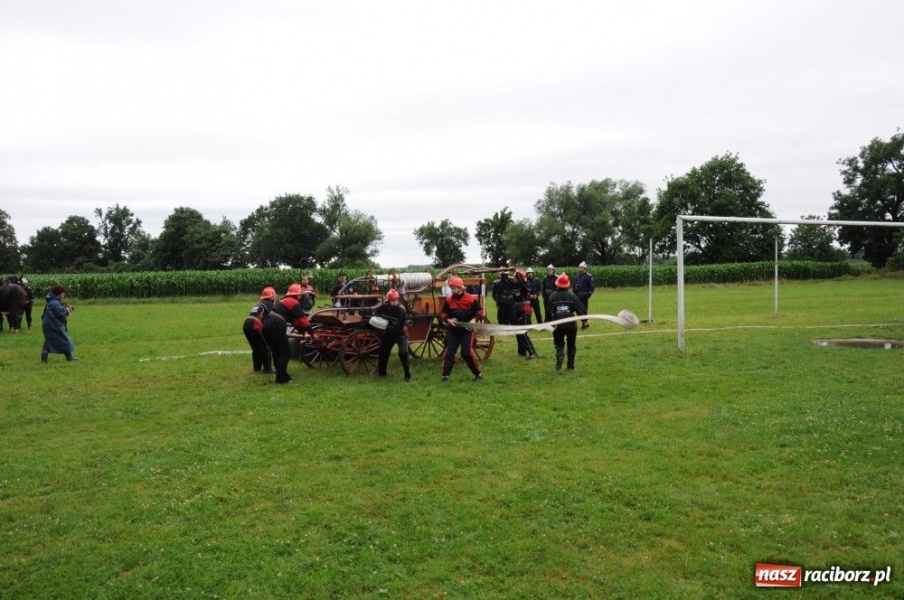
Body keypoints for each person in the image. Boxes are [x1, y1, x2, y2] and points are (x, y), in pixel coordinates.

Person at [262, 284, 312, 384]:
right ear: (298, 295)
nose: (300, 297)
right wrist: (312, 332)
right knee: (285, 353)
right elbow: (303, 320)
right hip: (276, 325)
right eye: (300, 295)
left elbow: (295, 321)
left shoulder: (283, 301)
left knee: (277, 353)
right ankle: (282, 378)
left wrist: (303, 332)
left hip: (267, 325)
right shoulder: (293, 302)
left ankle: (281, 376)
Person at [440, 276, 485, 382]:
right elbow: (443, 314)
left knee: (466, 353)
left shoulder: (470, 299)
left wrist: (474, 320)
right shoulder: (449, 300)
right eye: (451, 288)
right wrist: (448, 320)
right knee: (449, 353)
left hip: (467, 331)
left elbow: (480, 312)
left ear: (460, 288)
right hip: (454, 331)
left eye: (454, 288)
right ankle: (445, 376)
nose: (452, 290)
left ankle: (478, 374)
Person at [546, 273, 587, 372]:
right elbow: (581, 309)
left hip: (557, 322)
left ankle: (560, 355)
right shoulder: (572, 296)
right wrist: (584, 321)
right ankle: (570, 367)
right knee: (571, 345)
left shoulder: (553, 296)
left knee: (559, 343)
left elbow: (548, 311)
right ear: (567, 285)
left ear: (557, 284)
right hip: (571, 323)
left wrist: (547, 322)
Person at [373, 289, 411, 381]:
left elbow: (398, 327)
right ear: (388, 300)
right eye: (393, 300)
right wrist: (377, 321)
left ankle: (407, 375)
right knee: (383, 352)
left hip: (400, 334)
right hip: (388, 334)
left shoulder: (401, 310)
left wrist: (385, 327)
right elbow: (375, 313)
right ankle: (382, 374)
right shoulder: (383, 306)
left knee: (403, 353)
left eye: (397, 300)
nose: (395, 302)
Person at [41, 284, 77, 363]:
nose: (64, 294)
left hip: (49, 324)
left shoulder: (52, 302)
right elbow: (61, 314)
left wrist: (65, 309)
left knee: (49, 340)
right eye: (63, 293)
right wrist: (68, 310)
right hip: (53, 325)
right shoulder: (55, 302)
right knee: (65, 339)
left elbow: (58, 311)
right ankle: (69, 357)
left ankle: (44, 358)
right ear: (59, 293)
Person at [243, 287, 275, 373]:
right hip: (255, 325)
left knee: (256, 348)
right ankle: (268, 369)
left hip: (246, 324)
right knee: (266, 348)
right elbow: (274, 315)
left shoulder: (258, 304)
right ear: (271, 297)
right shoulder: (269, 304)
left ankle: (257, 368)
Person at [512, 270, 538, 359]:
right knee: (517, 332)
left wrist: (518, 273)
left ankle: (532, 352)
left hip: (525, 310)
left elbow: (522, 283)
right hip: (516, 310)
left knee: (522, 332)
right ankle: (522, 352)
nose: (514, 278)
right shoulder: (514, 286)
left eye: (515, 277)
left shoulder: (525, 286)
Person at [573, 261, 595, 329]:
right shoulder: (577, 277)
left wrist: (587, 294)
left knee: (583, 310)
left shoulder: (589, 276)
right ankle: (584, 322)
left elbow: (591, 287)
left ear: (584, 268)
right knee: (577, 310)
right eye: (579, 267)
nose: (579, 269)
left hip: (584, 296)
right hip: (576, 295)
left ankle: (585, 324)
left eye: (581, 268)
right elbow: (574, 286)